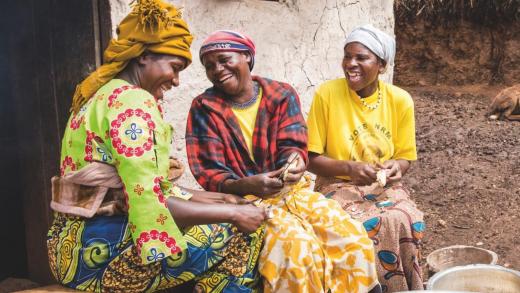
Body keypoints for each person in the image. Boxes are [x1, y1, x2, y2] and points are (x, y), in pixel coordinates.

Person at [47, 1, 267, 292]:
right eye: (174, 68)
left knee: (229, 213)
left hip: (68, 247)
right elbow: (146, 202)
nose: (176, 81)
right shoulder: (133, 102)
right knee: (244, 233)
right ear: (143, 56)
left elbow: (149, 187)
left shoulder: (100, 95)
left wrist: (223, 200)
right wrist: (233, 214)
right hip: (97, 255)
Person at [186, 30, 381, 293]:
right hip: (245, 203)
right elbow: (209, 174)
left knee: (351, 238)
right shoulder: (204, 108)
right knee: (296, 248)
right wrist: (246, 185)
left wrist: (294, 163)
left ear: (246, 56)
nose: (217, 69)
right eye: (209, 66)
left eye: (224, 59)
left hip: (292, 193)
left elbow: (294, 146)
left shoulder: (280, 94)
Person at [306, 24, 425, 292]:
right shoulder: (327, 94)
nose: (351, 64)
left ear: (381, 65)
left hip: (382, 186)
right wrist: (348, 168)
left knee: (406, 218)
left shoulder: (400, 100)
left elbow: (405, 158)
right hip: (333, 183)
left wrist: (397, 168)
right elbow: (310, 158)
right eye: (347, 56)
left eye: (362, 57)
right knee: (360, 225)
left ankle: (402, 287)